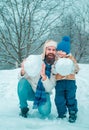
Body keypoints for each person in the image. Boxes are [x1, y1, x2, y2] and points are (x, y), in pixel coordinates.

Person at [17, 40, 57, 118]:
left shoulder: (56, 66)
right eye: (49, 49)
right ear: (45, 50)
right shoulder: (36, 60)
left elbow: (49, 88)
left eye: (53, 50)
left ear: (56, 51)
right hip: (31, 91)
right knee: (22, 82)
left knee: (45, 112)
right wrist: (23, 70)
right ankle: (23, 108)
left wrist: (44, 77)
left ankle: (40, 104)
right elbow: (20, 78)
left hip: (43, 93)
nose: (51, 52)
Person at [54, 36, 79, 123]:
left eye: (62, 51)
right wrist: (54, 70)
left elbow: (77, 69)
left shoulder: (71, 59)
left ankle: (72, 112)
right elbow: (53, 69)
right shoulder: (56, 60)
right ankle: (61, 113)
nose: (60, 52)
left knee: (70, 97)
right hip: (59, 82)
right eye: (58, 50)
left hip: (70, 82)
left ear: (67, 51)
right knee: (59, 98)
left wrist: (73, 68)